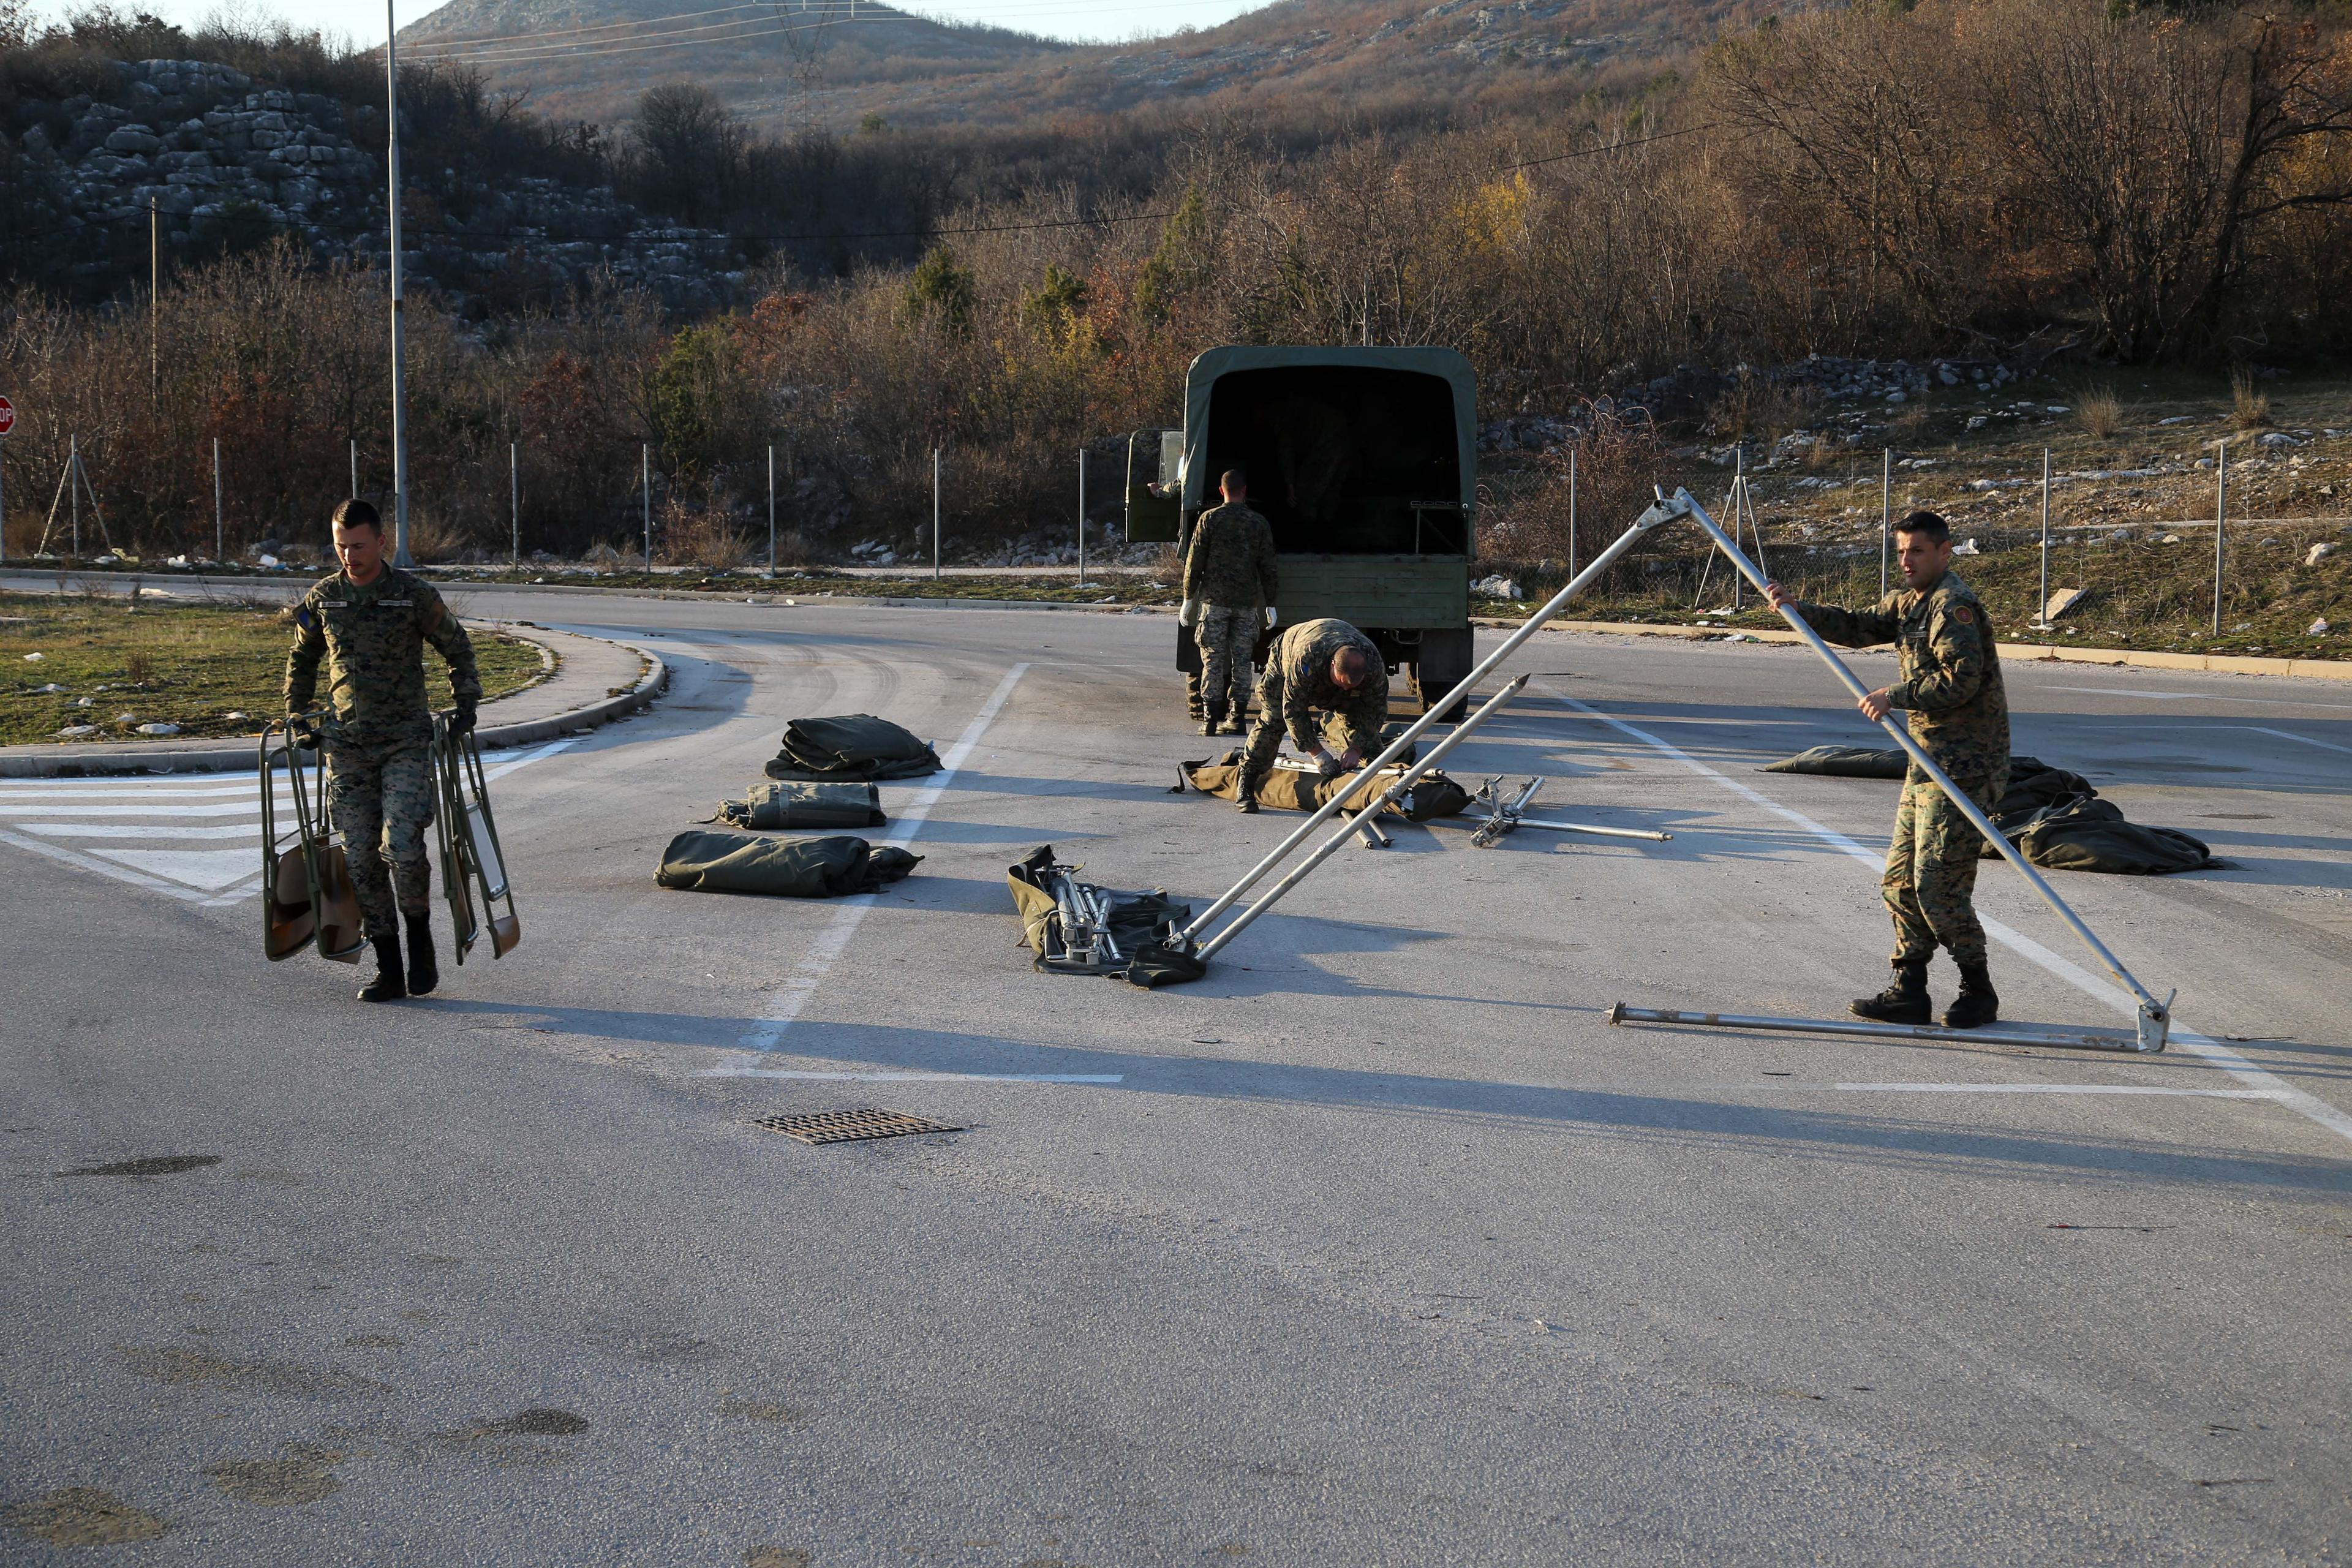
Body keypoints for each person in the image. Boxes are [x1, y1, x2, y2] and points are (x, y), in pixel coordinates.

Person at [1764, 511, 2010, 1029]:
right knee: (1899, 881)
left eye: (1917, 551)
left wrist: (1893, 695)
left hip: (1965, 766)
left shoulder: (1953, 605)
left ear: (1944, 552)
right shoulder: (1909, 600)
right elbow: (1861, 626)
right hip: (1926, 761)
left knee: (1937, 885)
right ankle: (1909, 989)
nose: (1906, 560)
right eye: (1901, 551)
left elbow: (1960, 682)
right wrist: (1798, 610)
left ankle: (1977, 990)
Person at [284, 500, 481, 1003]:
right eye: (340, 546)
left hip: (404, 742)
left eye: (358, 546)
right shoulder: (324, 598)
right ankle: (388, 965)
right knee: (359, 858)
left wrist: (466, 704)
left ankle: (422, 947)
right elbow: (302, 657)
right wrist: (299, 714)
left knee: (403, 848)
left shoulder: (411, 596)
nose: (349, 556)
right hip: (346, 745)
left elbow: (456, 647)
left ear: (382, 543)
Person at [1234, 617, 1389, 814]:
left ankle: (1378, 787)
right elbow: (1293, 709)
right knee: (1274, 719)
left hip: (1332, 660)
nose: (1345, 688)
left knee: (1365, 733)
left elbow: (1375, 711)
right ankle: (1246, 781)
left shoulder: (1373, 665)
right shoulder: (1308, 657)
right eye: (1342, 683)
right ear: (1333, 666)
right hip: (1286, 660)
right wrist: (1318, 754)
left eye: (1351, 686)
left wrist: (1357, 749)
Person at [1178, 469, 1280, 737]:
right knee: (1242, 661)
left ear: (1221, 491)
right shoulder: (1258, 523)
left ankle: (1210, 720)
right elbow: (1268, 566)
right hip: (1246, 605)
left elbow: (1195, 561)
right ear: (1244, 491)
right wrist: (1271, 602)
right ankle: (1237, 718)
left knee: (1212, 660)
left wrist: (1188, 597)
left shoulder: (1209, 520)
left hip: (1214, 603)